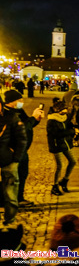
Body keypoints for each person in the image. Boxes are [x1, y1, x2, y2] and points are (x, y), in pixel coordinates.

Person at [3, 90, 42, 207]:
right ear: (12, 101)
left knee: (22, 174)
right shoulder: (5, 113)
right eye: (19, 100)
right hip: (11, 150)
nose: (22, 102)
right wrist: (32, 119)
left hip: (22, 149)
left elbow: (28, 125)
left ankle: (19, 198)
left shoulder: (19, 111)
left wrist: (36, 120)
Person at [0, 96, 27, 226]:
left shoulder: (12, 118)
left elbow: (22, 140)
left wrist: (16, 159)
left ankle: (9, 222)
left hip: (7, 161)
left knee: (10, 195)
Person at [47, 101, 76, 196]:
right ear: (59, 110)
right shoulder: (52, 120)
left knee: (73, 161)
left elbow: (68, 125)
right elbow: (56, 134)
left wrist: (74, 129)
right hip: (56, 145)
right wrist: (71, 131)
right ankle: (55, 186)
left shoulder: (64, 117)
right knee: (60, 165)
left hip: (65, 144)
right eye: (65, 108)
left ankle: (64, 180)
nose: (66, 110)